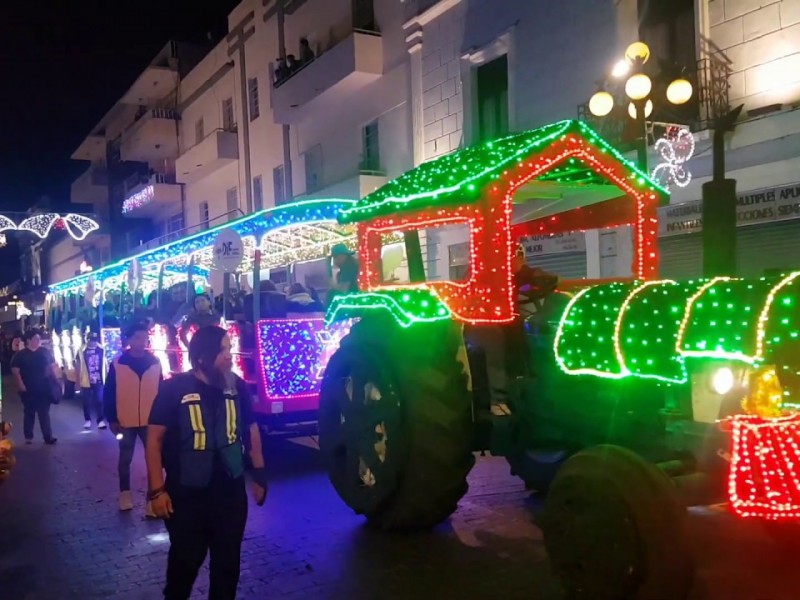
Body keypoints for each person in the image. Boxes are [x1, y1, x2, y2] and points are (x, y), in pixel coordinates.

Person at [146, 326, 267, 600]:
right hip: (187, 496)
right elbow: (154, 439)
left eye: (229, 348)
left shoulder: (237, 387)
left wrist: (259, 475)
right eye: (223, 349)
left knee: (227, 568)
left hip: (230, 495)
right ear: (201, 357)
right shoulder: (173, 388)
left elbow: (252, 430)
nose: (230, 355)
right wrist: (156, 491)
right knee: (184, 566)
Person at [104, 322, 163, 512]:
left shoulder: (155, 362)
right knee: (125, 459)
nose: (141, 341)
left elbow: (161, 392)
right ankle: (125, 494)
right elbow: (109, 392)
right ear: (128, 340)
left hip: (151, 420)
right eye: (137, 337)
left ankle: (152, 500)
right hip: (125, 420)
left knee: (153, 459)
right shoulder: (118, 363)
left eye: (145, 337)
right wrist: (112, 418)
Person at [11, 329, 59, 445]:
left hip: (44, 388)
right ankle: (28, 436)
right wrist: (20, 384)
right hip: (28, 389)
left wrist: (56, 381)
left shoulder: (45, 352)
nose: (38, 341)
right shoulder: (20, 355)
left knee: (44, 413)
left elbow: (52, 367)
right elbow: (15, 371)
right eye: (35, 338)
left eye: (39, 338)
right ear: (28, 340)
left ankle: (48, 436)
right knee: (29, 412)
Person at [78, 331, 107, 430]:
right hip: (86, 379)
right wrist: (78, 379)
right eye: (91, 340)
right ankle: (87, 420)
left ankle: (100, 420)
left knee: (99, 400)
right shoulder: (82, 350)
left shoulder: (102, 349)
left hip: (99, 379)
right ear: (87, 340)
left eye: (94, 340)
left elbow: (106, 363)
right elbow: (77, 364)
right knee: (86, 401)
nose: (93, 342)